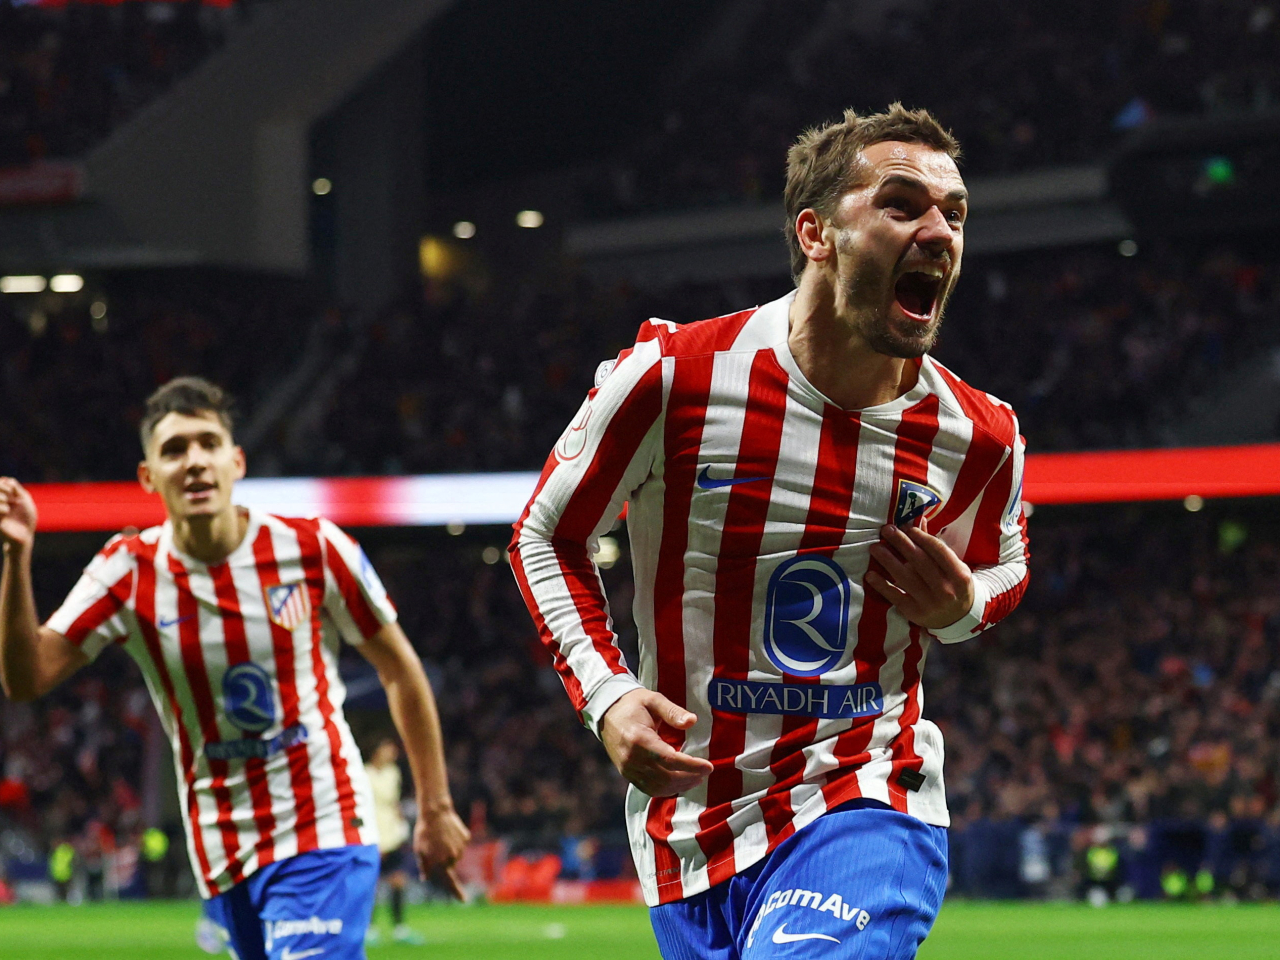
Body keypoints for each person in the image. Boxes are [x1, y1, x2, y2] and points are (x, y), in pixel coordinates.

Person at [510, 104, 1029, 959]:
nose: (939, 232)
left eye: (955, 213)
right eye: (902, 205)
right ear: (816, 233)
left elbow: (1007, 562)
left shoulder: (979, 435)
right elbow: (546, 535)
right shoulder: (674, 378)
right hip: (692, 830)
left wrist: (965, 603)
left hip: (867, 795)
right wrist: (605, 695)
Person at [0, 377, 470, 960]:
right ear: (149, 476)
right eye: (174, 449)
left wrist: (435, 807)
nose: (194, 461)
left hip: (323, 824)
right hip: (221, 848)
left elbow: (400, 669)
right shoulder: (127, 571)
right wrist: (17, 556)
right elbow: (27, 678)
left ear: (236, 462)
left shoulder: (313, 549)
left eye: (208, 443)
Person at [363, 736, 424, 945]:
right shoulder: (364, 773)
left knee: (398, 880)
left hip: (392, 832)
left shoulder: (393, 773)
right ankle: (368, 928)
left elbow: (395, 801)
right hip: (373, 830)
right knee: (370, 883)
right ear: (376, 750)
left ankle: (399, 928)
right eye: (387, 748)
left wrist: (401, 824)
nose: (392, 752)